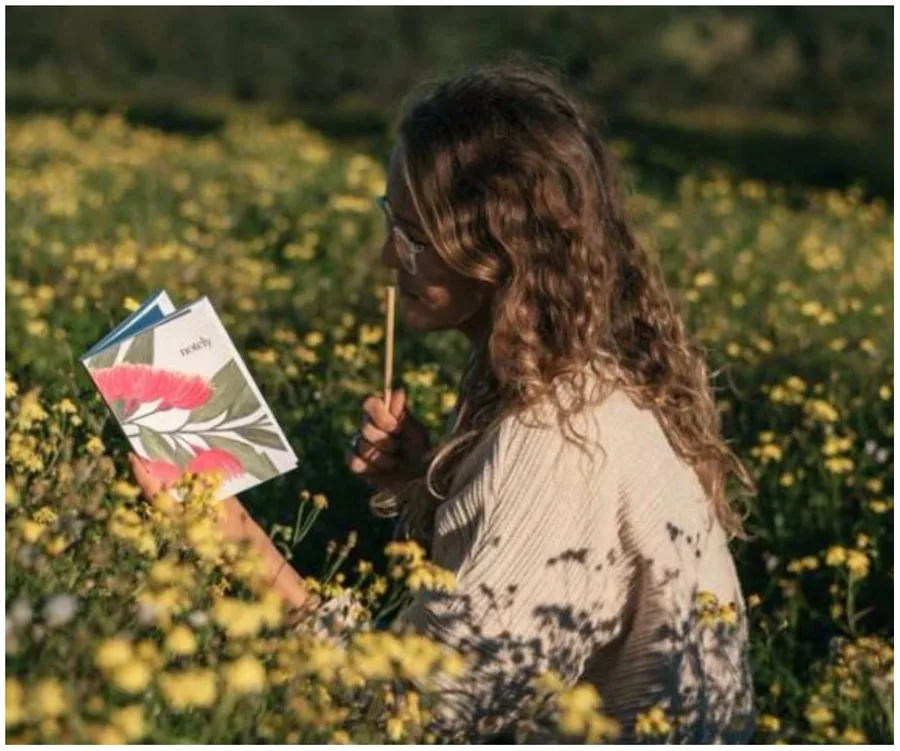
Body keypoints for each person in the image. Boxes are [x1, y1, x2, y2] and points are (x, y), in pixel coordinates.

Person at [131, 60, 757, 743]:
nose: (385, 256)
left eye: (410, 233)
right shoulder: (571, 382)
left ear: (496, 249)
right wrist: (429, 484)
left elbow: (417, 719)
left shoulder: (550, 442)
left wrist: (241, 546)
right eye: (388, 220)